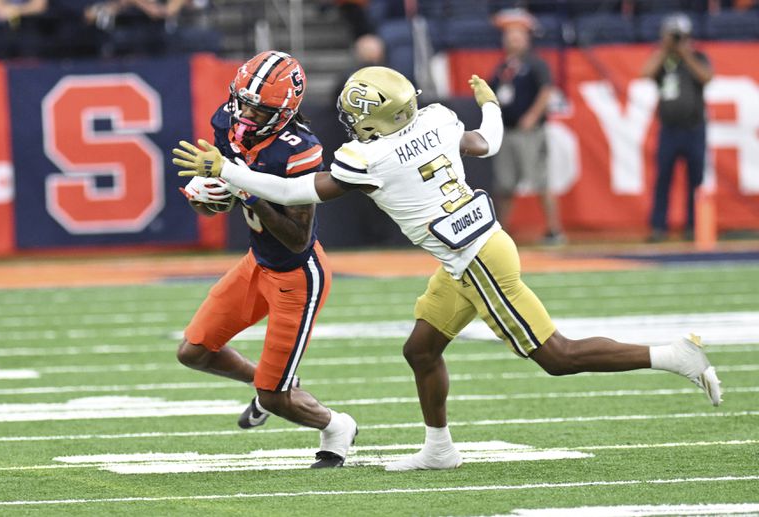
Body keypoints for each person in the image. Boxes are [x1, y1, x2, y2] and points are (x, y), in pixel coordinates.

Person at [173, 66, 722, 471]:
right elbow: (487, 141)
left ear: (379, 119)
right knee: (420, 349)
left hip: (475, 259)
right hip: (470, 251)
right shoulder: (435, 119)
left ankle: (673, 357)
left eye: (358, 115)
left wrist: (230, 172)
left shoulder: (373, 158)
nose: (351, 123)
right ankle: (440, 449)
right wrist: (493, 105)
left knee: (558, 357)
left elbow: (295, 190)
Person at [175, 50, 357, 469]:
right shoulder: (227, 121)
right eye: (244, 101)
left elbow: (297, 238)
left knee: (275, 399)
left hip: (298, 275)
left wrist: (243, 190)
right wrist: (208, 200)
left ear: (286, 111)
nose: (247, 113)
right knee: (194, 352)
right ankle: (273, 378)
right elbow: (219, 200)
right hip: (257, 262)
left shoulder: (299, 150)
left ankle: (337, 426)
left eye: (260, 108)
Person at [488, 9, 565, 245]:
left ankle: (554, 230)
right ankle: (501, 232)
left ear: (527, 38)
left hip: (529, 132)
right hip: (508, 130)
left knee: (541, 181)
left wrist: (532, 115)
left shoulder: (535, 63)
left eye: (517, 35)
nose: (513, 40)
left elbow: (546, 90)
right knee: (505, 184)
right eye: (509, 36)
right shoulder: (503, 67)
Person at [641, 13, 712, 242]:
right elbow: (646, 73)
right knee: (663, 179)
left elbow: (706, 76)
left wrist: (686, 53)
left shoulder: (697, 56)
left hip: (694, 128)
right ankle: (658, 227)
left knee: (695, 180)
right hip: (669, 129)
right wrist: (664, 50)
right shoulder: (664, 60)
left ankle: (694, 226)